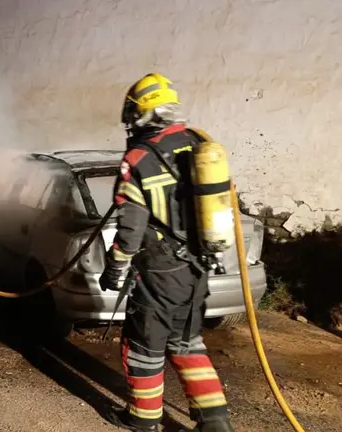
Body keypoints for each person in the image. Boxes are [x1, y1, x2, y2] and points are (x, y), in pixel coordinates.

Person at [99, 73, 235, 432]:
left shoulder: (139, 158)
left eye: (132, 113)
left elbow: (131, 227)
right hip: (197, 266)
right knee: (188, 342)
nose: (128, 121)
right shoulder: (197, 145)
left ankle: (143, 421)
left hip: (160, 272)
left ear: (143, 114)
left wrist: (115, 269)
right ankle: (214, 422)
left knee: (144, 347)